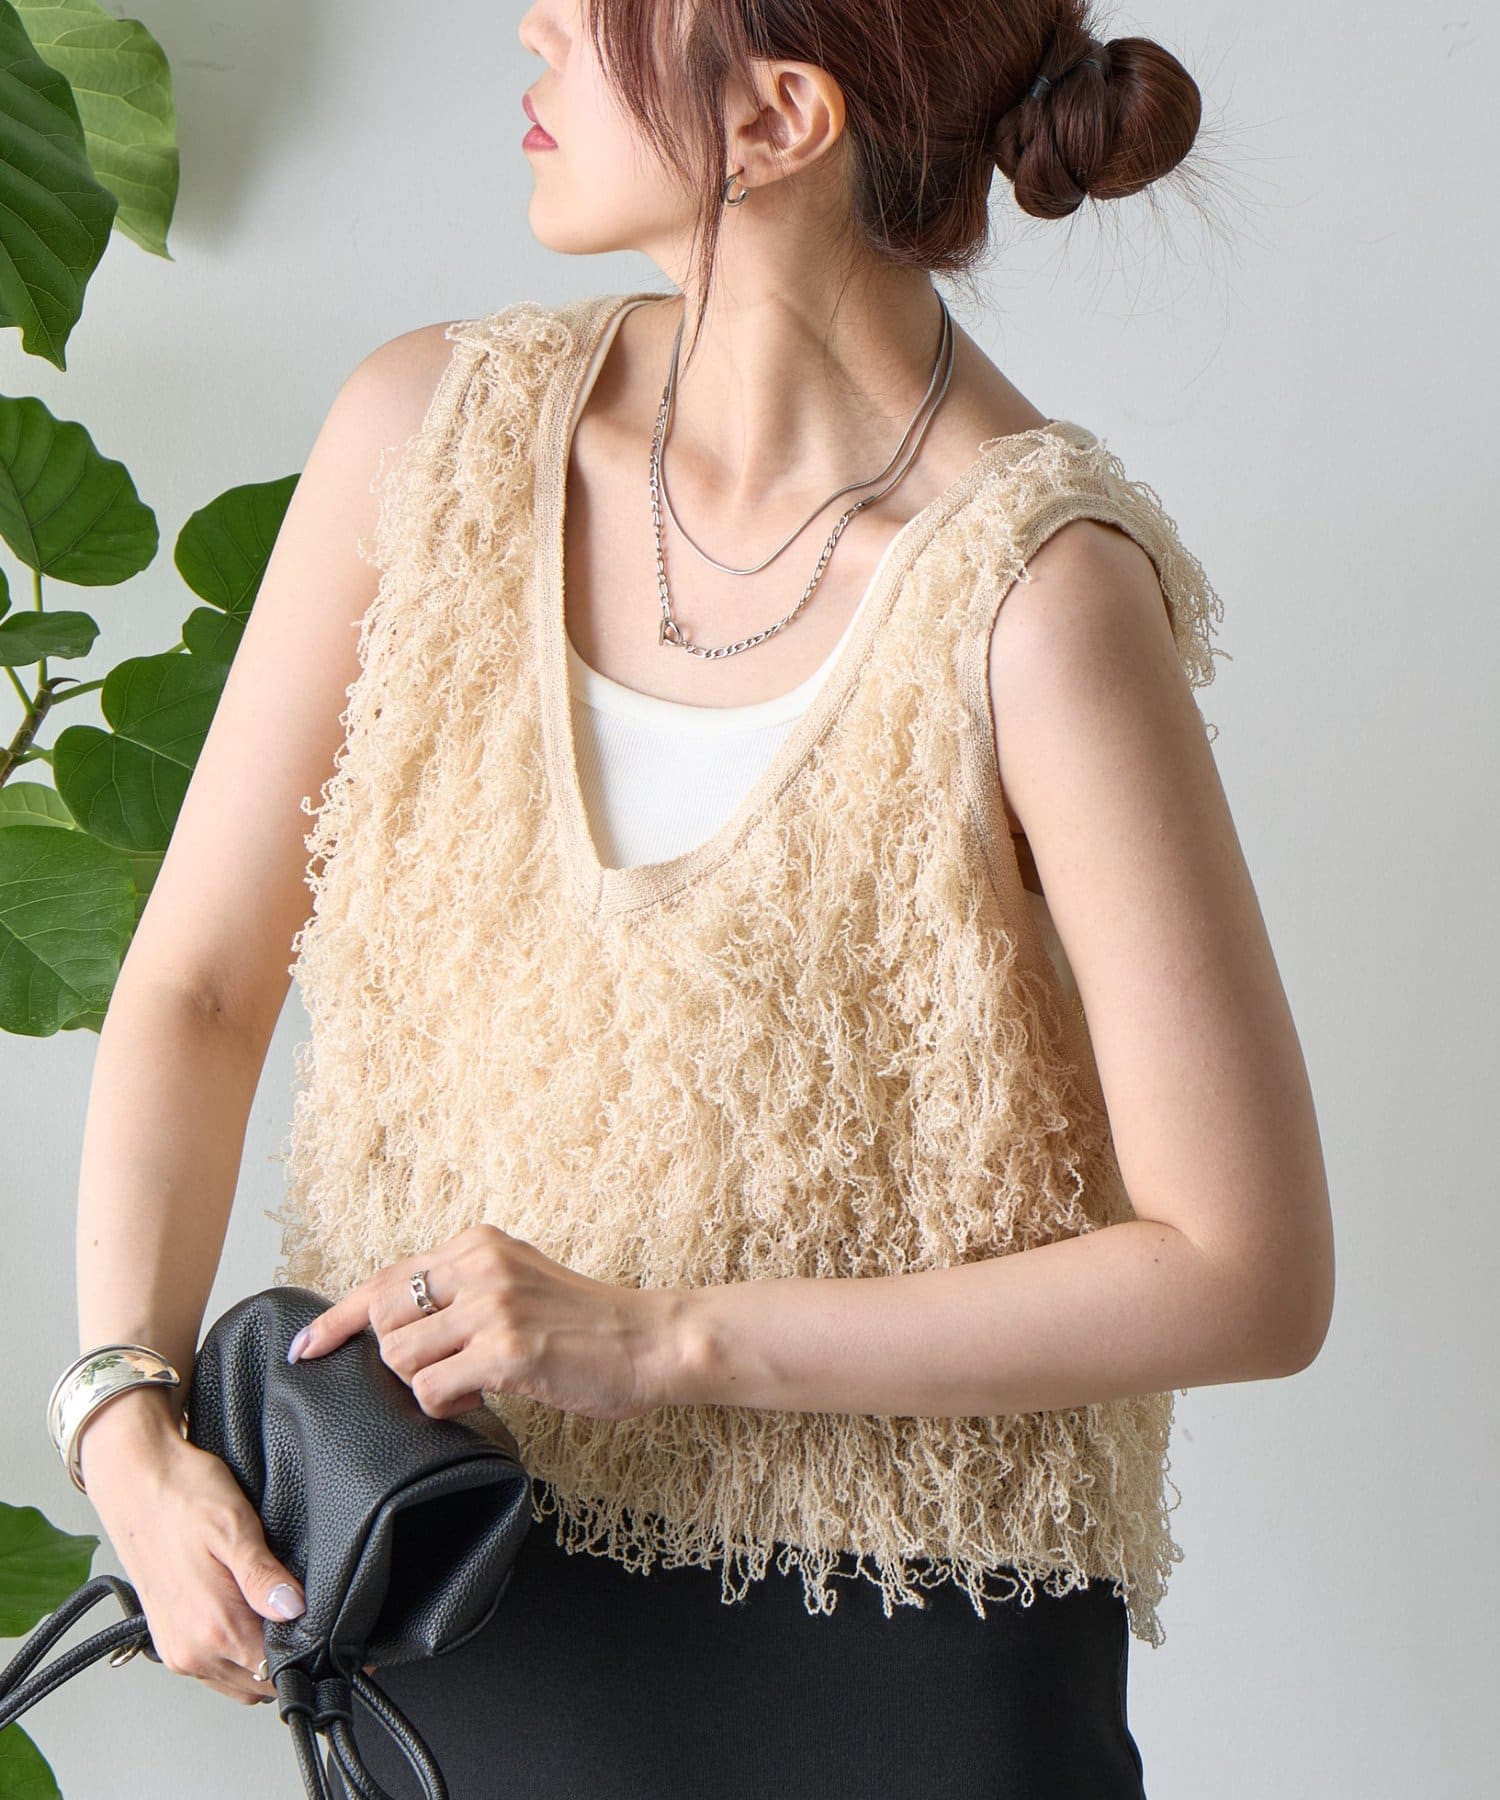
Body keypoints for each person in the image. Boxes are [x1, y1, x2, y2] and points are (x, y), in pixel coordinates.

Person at [56, 1, 1335, 1795]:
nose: (535, 24)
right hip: (449, 1614)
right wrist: (121, 1411)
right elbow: (198, 986)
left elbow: (1247, 1270)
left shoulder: (1038, 596)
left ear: (780, 116)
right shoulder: (425, 438)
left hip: (898, 1675)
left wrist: (662, 1339)